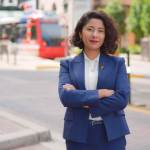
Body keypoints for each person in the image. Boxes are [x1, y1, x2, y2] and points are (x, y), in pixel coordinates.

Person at [58, 11, 130, 150]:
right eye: (90, 29)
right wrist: (99, 93)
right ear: (80, 33)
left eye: (100, 31)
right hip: (78, 136)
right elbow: (66, 97)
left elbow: (122, 98)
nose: (95, 35)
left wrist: (85, 102)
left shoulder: (117, 63)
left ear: (105, 35)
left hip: (112, 135)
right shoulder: (67, 64)